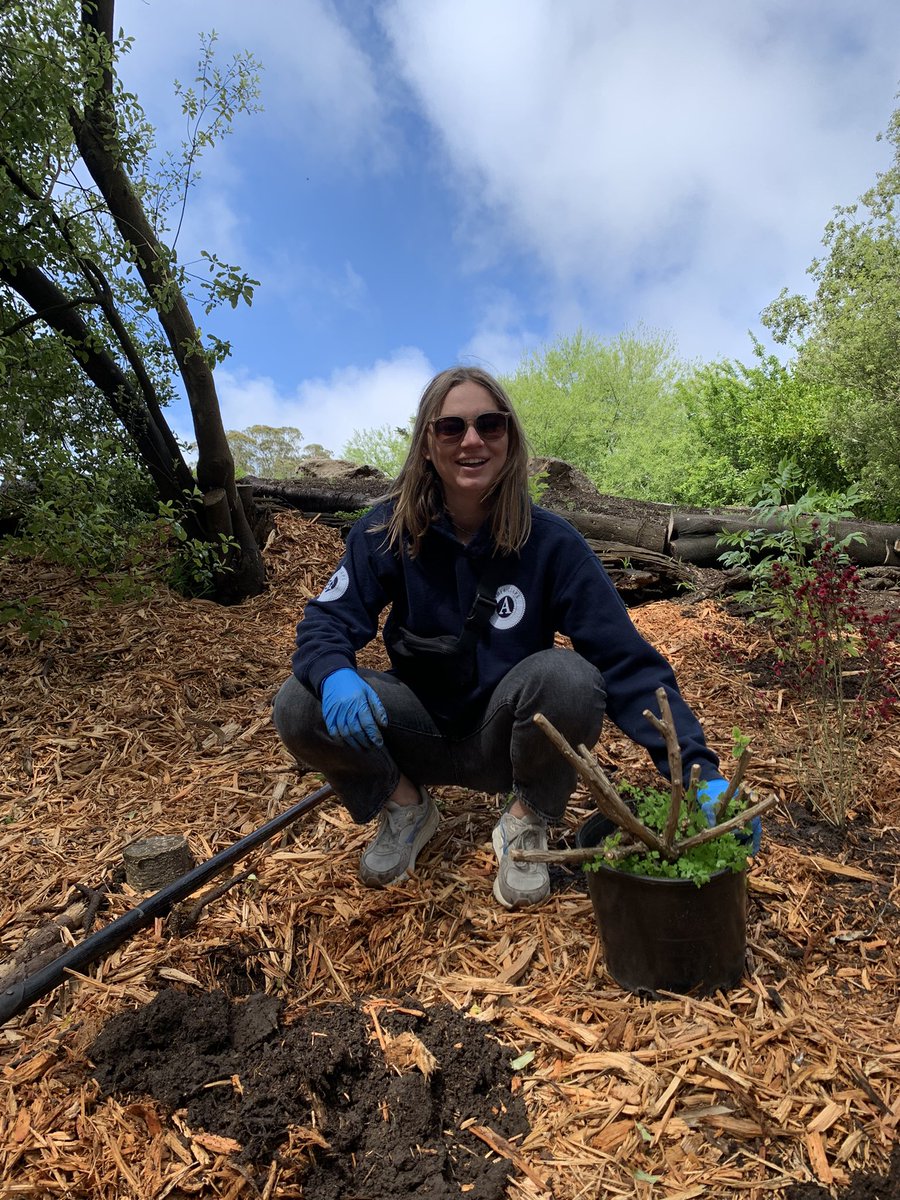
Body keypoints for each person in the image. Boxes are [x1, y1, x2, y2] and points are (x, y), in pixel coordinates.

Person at [274, 365, 757, 909]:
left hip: (509, 737)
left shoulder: (552, 544)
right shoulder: (385, 531)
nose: (472, 440)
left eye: (490, 424)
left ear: (510, 440)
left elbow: (626, 663)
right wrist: (335, 672)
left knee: (571, 679)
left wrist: (697, 772)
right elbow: (326, 622)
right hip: (416, 730)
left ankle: (526, 819)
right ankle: (404, 806)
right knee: (300, 700)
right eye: (451, 428)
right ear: (427, 446)